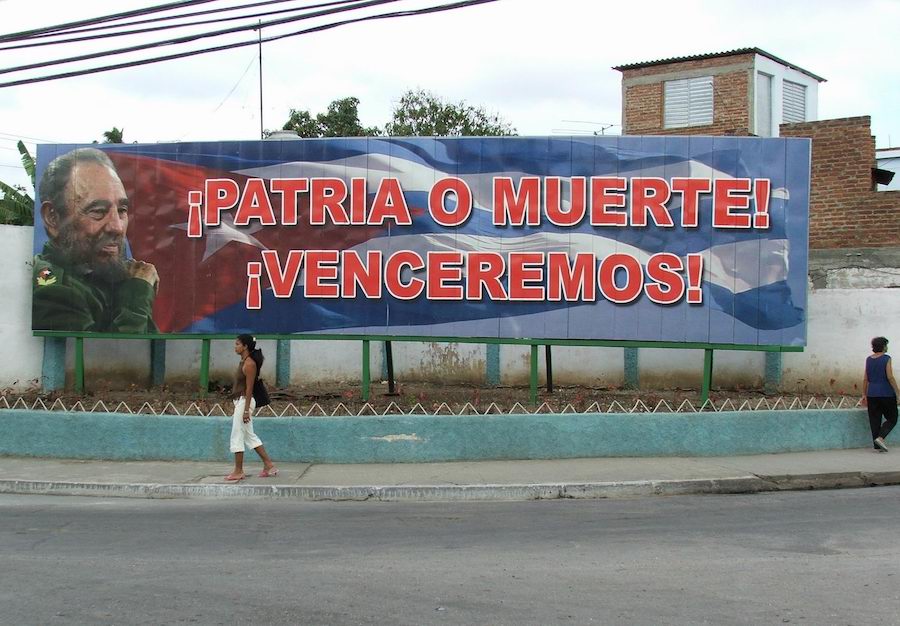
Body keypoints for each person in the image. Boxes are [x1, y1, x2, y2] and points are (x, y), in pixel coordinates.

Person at [32, 147, 158, 332]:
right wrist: (138, 295)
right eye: (98, 211)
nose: (117, 227)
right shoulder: (52, 291)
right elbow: (119, 355)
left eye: (122, 210)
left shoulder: (102, 275)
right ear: (52, 217)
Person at [226, 334, 278, 481]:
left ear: (245, 346)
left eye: (237, 344)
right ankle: (269, 465)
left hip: (245, 402)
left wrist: (245, 410)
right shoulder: (243, 361)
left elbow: (250, 389)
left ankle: (238, 470)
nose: (235, 346)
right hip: (240, 402)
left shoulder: (249, 364)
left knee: (237, 435)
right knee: (249, 436)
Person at [862, 336, 899, 452]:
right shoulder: (886, 358)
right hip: (886, 393)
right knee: (892, 418)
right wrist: (898, 392)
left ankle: (877, 446)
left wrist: (864, 394)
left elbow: (865, 378)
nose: (887, 347)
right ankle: (881, 438)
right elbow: (890, 376)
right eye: (886, 345)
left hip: (872, 393)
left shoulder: (868, 359)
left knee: (874, 419)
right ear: (883, 346)